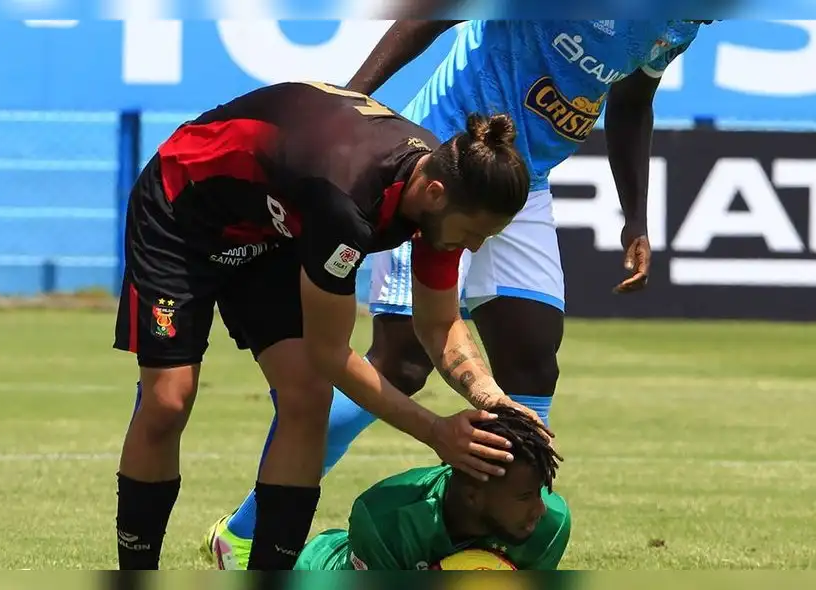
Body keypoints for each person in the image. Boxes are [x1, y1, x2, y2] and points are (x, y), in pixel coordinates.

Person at [207, 19, 710, 568]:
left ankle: (496, 539)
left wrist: (634, 216)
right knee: (401, 362)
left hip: (524, 183)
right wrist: (351, 99)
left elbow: (633, 101)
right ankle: (244, 531)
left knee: (533, 358)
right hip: (442, 162)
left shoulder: (682, 22)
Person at [112, 79, 541, 570]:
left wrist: (492, 399)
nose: (475, 247)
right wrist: (436, 431)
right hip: (182, 210)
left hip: (275, 231)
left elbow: (440, 323)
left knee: (308, 398)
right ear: (436, 193)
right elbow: (331, 353)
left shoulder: (438, 187)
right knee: (168, 401)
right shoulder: (347, 201)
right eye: (473, 234)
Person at [292, 406, 569, 571]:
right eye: (524, 497)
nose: (540, 508)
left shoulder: (550, 525)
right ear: (473, 496)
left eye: (539, 491)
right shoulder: (387, 522)